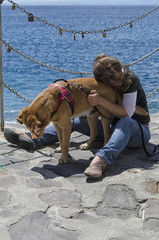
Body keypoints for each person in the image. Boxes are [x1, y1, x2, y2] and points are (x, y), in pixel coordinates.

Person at [4, 53, 151, 179]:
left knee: (125, 122)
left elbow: (127, 113)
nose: (119, 82)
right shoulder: (104, 84)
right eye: (114, 81)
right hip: (113, 129)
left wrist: (101, 100)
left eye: (119, 79)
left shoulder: (130, 79)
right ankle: (34, 139)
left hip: (137, 132)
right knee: (73, 121)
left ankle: (100, 160)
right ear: (104, 81)